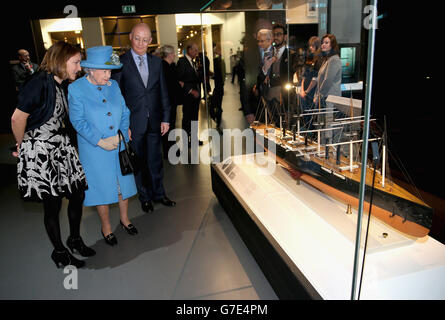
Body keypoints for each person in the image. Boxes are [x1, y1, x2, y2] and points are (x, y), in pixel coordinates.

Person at [11, 41, 92, 269]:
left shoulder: (59, 84)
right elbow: (17, 118)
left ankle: (74, 239)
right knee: (53, 204)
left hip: (61, 148)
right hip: (43, 152)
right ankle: (59, 252)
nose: (79, 67)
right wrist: (23, 145)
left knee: (77, 194)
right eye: (76, 62)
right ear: (60, 60)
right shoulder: (38, 83)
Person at [68, 45, 138, 247]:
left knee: (122, 185)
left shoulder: (113, 86)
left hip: (118, 145)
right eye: (104, 71)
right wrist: (99, 140)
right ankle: (106, 227)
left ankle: (125, 220)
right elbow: (78, 121)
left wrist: (122, 134)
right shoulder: (76, 89)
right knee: (101, 189)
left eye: (110, 71)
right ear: (90, 69)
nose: (109, 75)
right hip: (95, 149)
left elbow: (125, 112)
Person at [112, 23, 176, 214]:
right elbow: (117, 97)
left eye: (145, 39)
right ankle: (145, 197)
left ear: (150, 41)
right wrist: (124, 125)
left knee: (156, 160)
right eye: (137, 38)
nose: (141, 42)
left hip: (155, 121)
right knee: (138, 162)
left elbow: (163, 92)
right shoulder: (120, 63)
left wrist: (165, 118)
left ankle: (159, 193)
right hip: (133, 124)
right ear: (131, 37)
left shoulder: (156, 63)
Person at [258, 24, 297, 126]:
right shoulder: (267, 53)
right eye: (274, 35)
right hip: (268, 95)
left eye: (279, 34)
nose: (276, 37)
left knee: (285, 128)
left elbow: (294, 76)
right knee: (272, 127)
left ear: (285, 36)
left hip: (284, 96)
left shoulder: (292, 55)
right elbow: (260, 75)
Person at [314, 34, 342, 143]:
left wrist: (318, 95)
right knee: (324, 125)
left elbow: (328, 80)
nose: (323, 44)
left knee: (328, 126)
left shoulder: (334, 59)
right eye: (323, 42)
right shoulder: (327, 59)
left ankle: (328, 152)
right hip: (325, 97)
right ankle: (324, 149)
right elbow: (320, 79)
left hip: (330, 98)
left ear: (332, 44)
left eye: (326, 42)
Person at [176, 42, 203, 146]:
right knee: (187, 118)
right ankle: (186, 140)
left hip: (195, 96)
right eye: (195, 50)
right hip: (188, 96)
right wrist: (191, 91)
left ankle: (194, 138)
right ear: (189, 50)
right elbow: (179, 80)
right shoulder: (182, 62)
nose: (197, 52)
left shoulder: (193, 62)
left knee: (195, 117)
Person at [159, 44, 182, 158]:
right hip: (167, 103)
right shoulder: (163, 67)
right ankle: (169, 150)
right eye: (173, 53)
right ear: (168, 54)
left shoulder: (169, 66)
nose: (174, 55)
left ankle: (171, 148)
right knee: (168, 125)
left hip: (171, 101)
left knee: (171, 125)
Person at [300, 36, 322, 128]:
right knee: (305, 114)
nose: (311, 48)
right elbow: (304, 76)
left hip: (312, 92)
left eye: (313, 46)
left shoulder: (320, 59)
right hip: (304, 91)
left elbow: (315, 79)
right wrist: (302, 90)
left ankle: (311, 135)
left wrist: (307, 91)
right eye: (310, 46)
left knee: (312, 115)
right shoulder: (309, 58)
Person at [210, 43, 226, 129]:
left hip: (219, 87)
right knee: (217, 105)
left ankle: (217, 122)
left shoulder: (217, 61)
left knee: (216, 106)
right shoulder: (219, 61)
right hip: (219, 86)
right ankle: (217, 122)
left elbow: (220, 75)